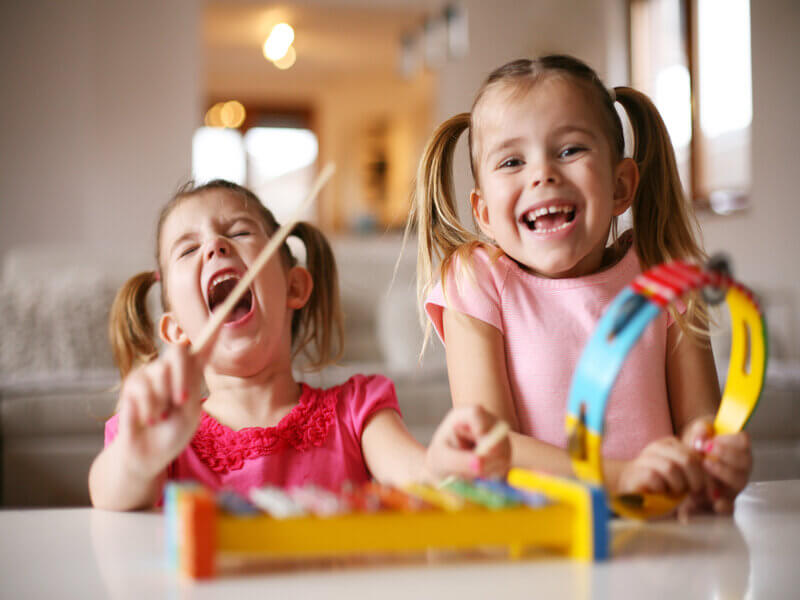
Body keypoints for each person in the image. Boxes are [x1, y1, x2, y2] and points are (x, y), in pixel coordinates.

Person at [408, 55, 751, 514]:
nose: (542, 174)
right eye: (512, 160)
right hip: (543, 544)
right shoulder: (475, 280)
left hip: (662, 535)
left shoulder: (665, 274)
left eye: (570, 150)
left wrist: (714, 457)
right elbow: (493, 449)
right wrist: (621, 477)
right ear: (485, 213)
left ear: (620, 186)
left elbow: (700, 422)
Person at [89, 180, 509, 511]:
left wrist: (445, 463)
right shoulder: (156, 432)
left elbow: (419, 474)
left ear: (294, 286)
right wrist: (137, 457)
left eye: (238, 231)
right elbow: (109, 495)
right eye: (188, 249)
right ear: (176, 329)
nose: (216, 246)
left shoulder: (357, 410)